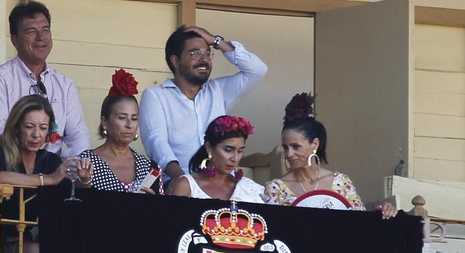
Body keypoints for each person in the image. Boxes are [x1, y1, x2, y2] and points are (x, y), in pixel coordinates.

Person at [0, 94, 79, 253]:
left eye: (43, 128)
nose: (36, 135)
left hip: (28, 243)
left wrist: (83, 180)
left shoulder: (50, 160)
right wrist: (48, 180)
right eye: (29, 126)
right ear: (16, 127)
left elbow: (68, 195)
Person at [140, 24, 267, 180]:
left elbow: (257, 70)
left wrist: (215, 41)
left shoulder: (218, 90)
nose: (204, 60)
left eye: (207, 53)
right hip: (177, 183)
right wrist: (184, 182)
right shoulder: (156, 95)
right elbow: (157, 143)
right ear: (175, 60)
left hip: (221, 183)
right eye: (195, 54)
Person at [263, 93, 396, 216]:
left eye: (296, 147)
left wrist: (382, 212)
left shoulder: (341, 183)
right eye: (285, 147)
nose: (289, 154)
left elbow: (360, 223)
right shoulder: (276, 189)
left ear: (315, 144)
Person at [0, 1, 89, 155]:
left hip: (54, 166)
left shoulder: (64, 84)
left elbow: (78, 136)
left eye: (45, 30)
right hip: (13, 164)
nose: (41, 37)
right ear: (15, 40)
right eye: (31, 32)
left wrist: (78, 163)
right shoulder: (0, 79)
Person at [80, 69, 159, 193]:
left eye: (134, 118)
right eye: (122, 118)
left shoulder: (148, 166)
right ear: (105, 122)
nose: (129, 125)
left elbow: (161, 204)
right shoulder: (86, 162)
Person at [168, 115, 267, 203]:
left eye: (240, 151)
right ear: (209, 148)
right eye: (228, 150)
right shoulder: (187, 186)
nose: (235, 158)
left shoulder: (250, 188)